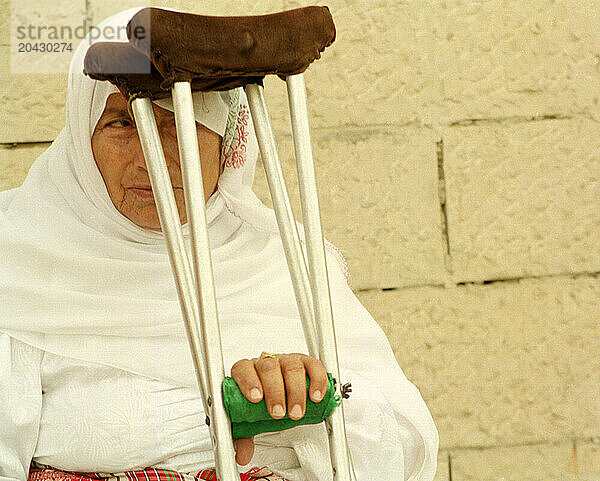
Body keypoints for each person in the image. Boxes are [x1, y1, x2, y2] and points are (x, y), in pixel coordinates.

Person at [0, 8, 439, 481]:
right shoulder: (22, 261)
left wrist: (310, 401)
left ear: (227, 146)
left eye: (181, 122)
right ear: (82, 144)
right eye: (121, 125)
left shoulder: (284, 263)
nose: (152, 156)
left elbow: (408, 452)